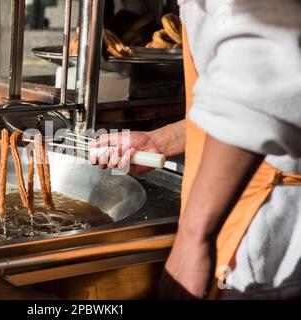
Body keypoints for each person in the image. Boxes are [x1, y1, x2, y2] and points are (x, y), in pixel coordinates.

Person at [90, 0, 301, 299]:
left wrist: (193, 238)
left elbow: (259, 77)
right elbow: (239, 94)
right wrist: (160, 141)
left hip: (272, 218)